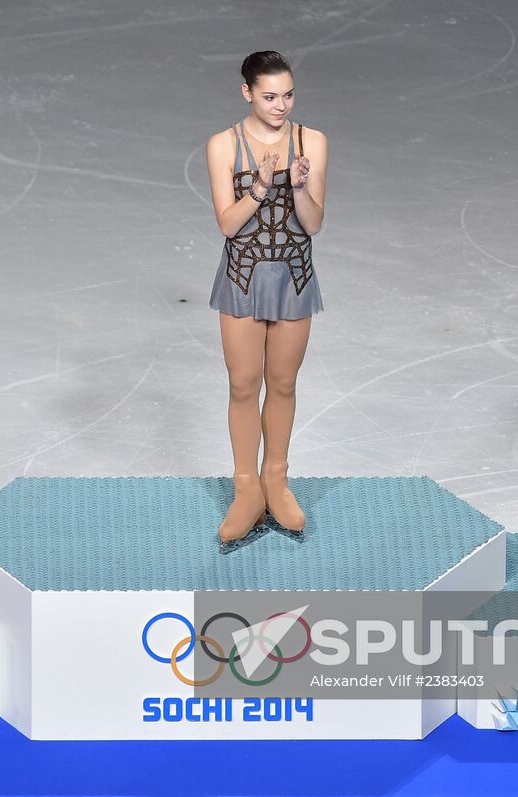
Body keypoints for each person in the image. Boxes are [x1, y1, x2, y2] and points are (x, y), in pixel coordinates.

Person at [205, 51, 328, 544]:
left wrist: (297, 186)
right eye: (270, 96)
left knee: (282, 382)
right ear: (247, 93)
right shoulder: (222, 145)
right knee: (242, 384)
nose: (281, 105)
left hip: (294, 276)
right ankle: (246, 488)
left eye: (288, 94)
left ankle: (275, 478)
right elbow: (228, 225)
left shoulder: (311, 141)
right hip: (243, 274)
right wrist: (259, 185)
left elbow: (314, 223)